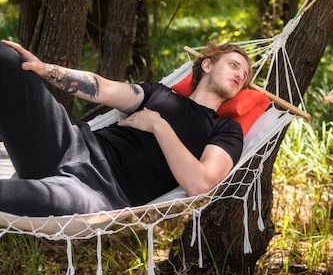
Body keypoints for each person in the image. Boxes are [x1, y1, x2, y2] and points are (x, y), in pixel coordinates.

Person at [0, 39, 251, 217]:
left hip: (101, 192)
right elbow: (102, 88)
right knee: (8, 58)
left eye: (245, 75)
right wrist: (46, 70)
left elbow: (201, 185)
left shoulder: (226, 130)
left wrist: (159, 126)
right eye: (234, 65)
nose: (241, 75)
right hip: (70, 146)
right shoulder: (160, 94)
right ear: (207, 65)